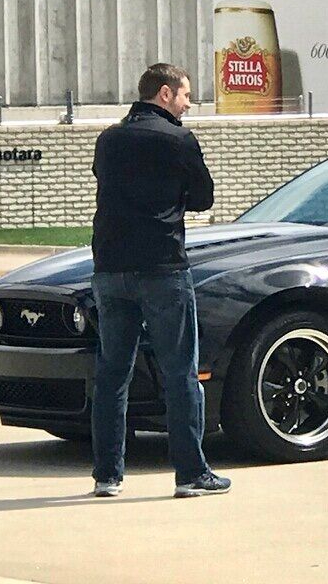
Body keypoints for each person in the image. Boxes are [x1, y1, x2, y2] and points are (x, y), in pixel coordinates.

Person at [89, 63, 231, 498]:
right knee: (179, 372)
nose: (189, 104)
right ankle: (191, 474)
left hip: (110, 267)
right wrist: (173, 198)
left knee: (113, 373)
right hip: (163, 265)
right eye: (186, 95)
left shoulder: (109, 138)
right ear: (166, 93)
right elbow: (204, 196)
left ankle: (107, 476)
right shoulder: (179, 139)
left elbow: (103, 181)